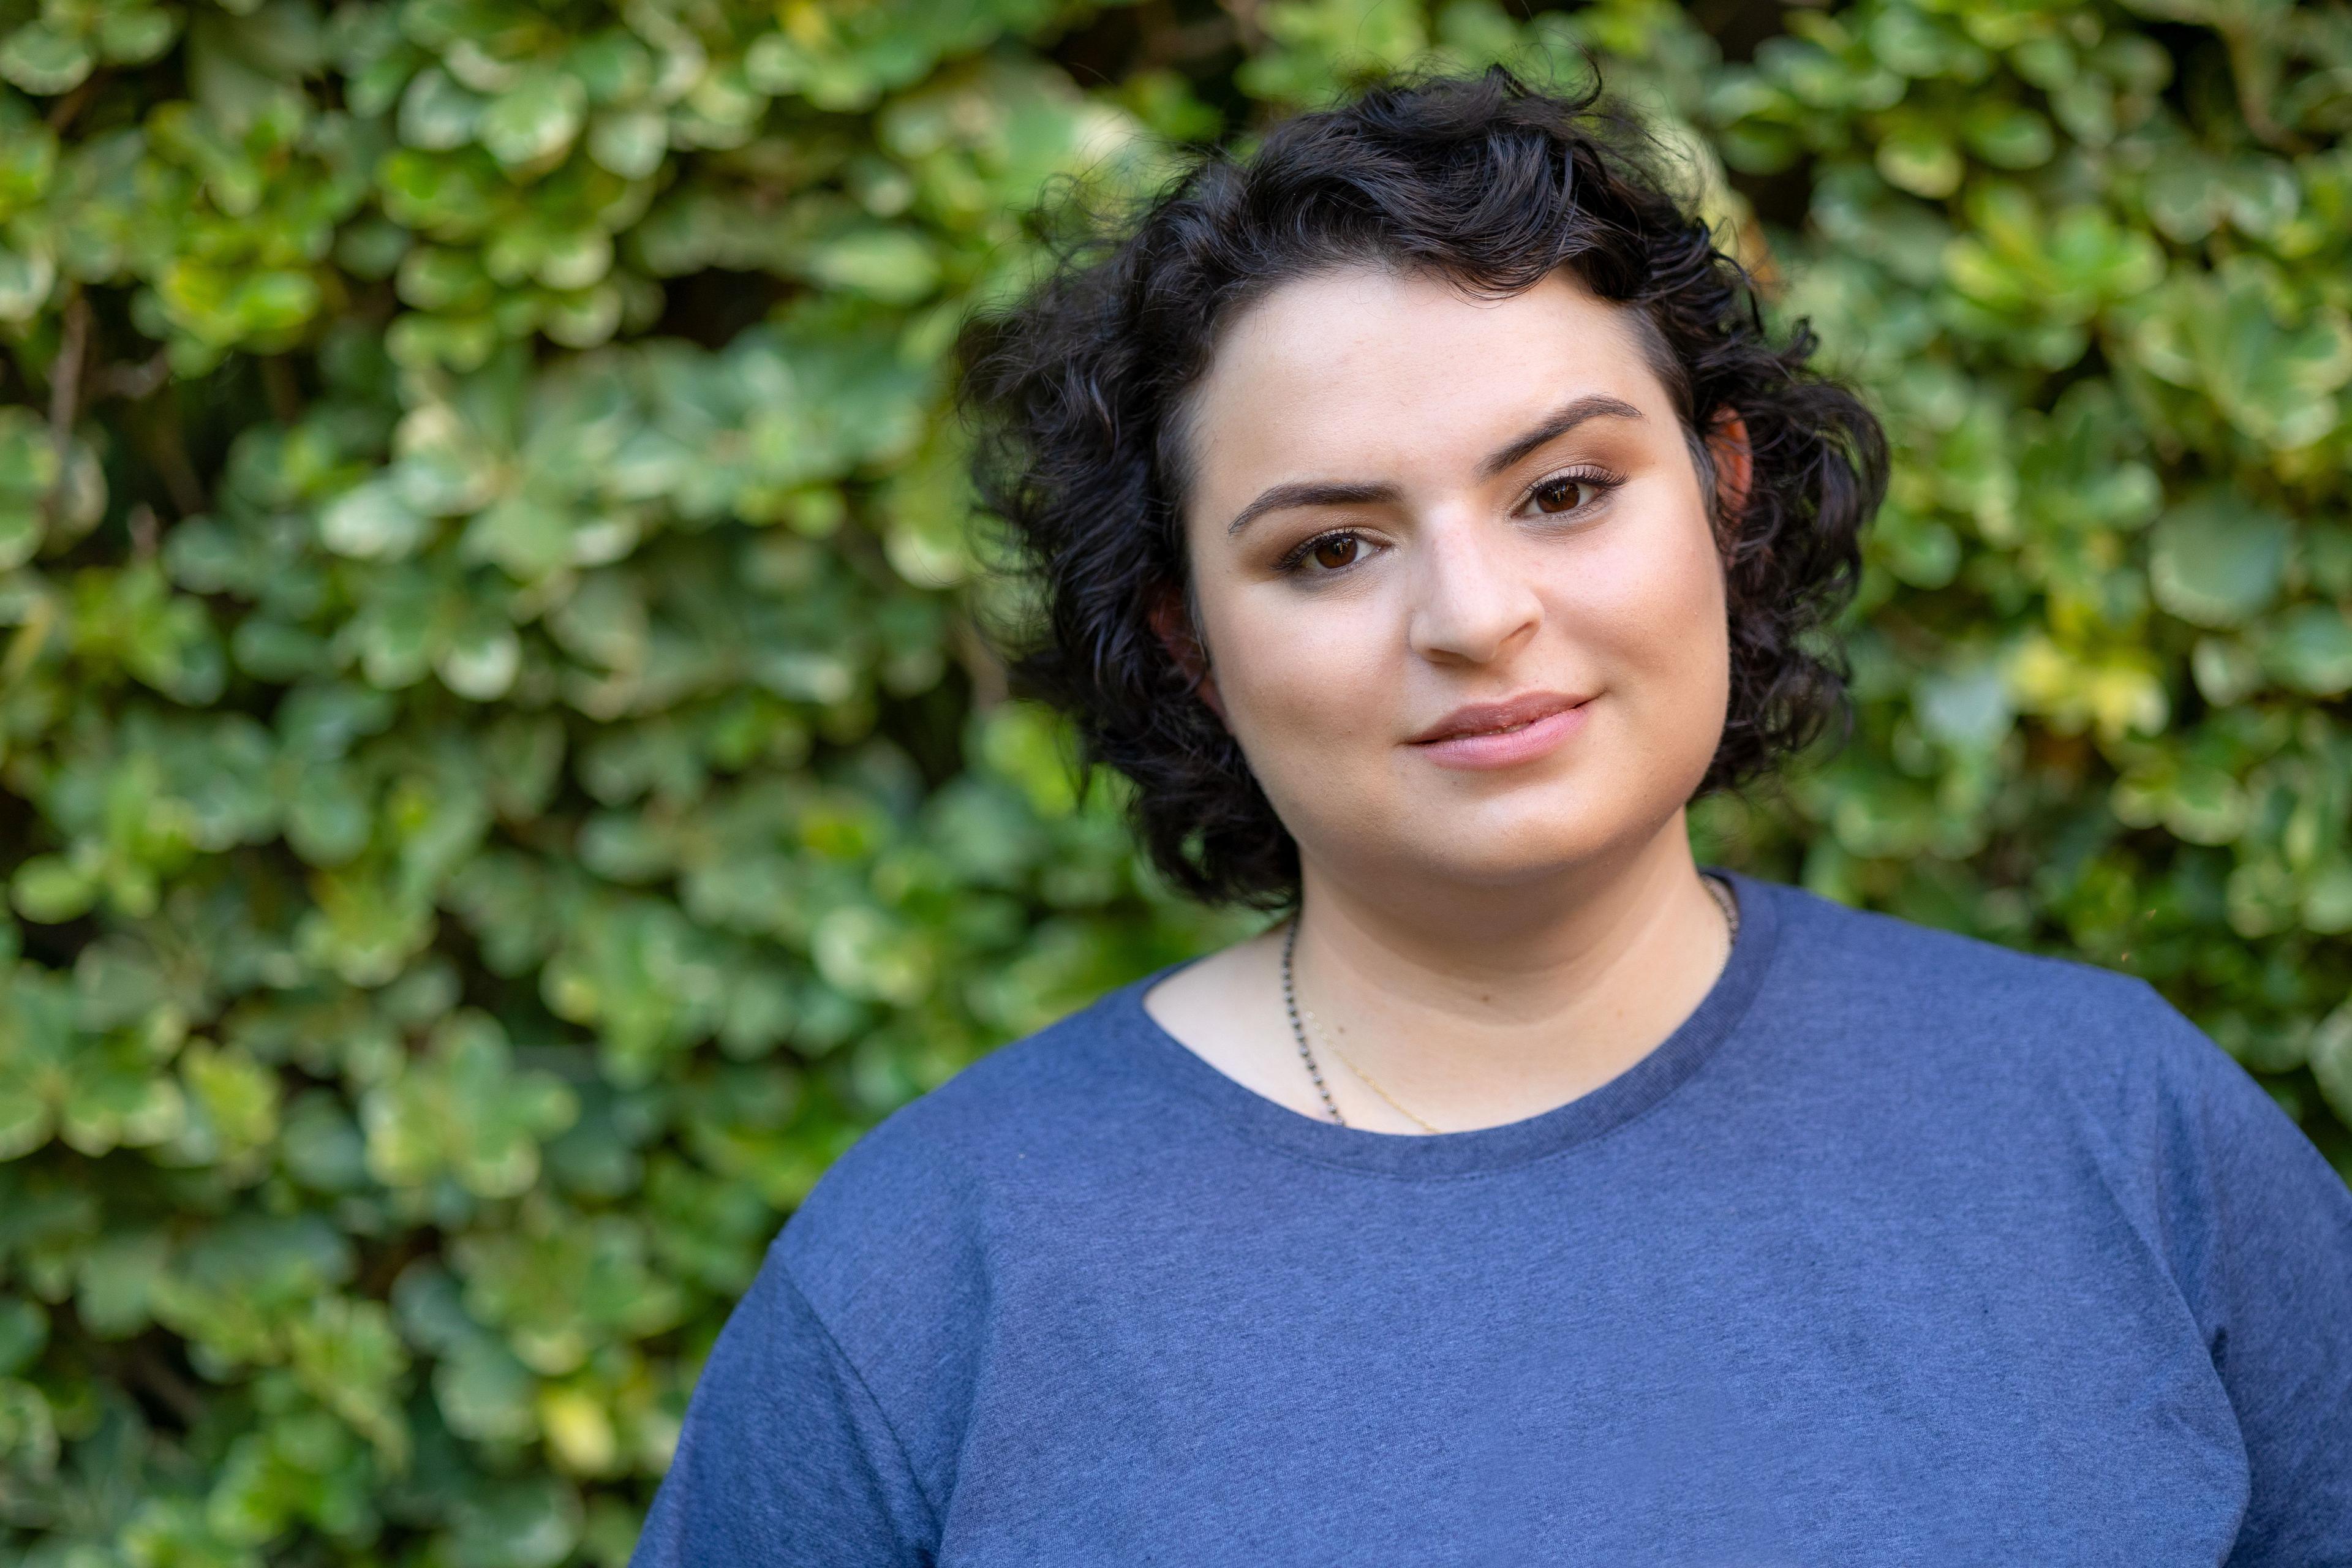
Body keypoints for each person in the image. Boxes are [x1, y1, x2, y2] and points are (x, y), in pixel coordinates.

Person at [628, 67, 2352, 1566]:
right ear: (1190, 645)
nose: (1474, 613)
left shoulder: (2119, 1128)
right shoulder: (934, 1272)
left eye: (1566, 491)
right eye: (1330, 548)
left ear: (1725, 500)